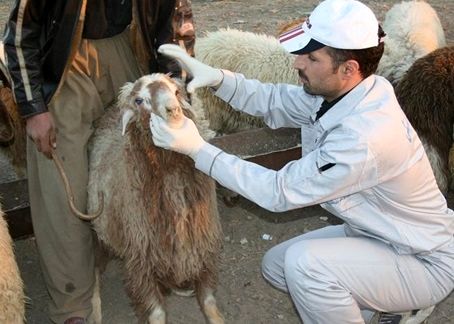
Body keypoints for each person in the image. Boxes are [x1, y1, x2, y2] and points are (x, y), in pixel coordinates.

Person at [149, 0, 454, 323]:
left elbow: (278, 192)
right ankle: (385, 302)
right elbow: (275, 100)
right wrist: (218, 79)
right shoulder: (357, 90)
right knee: (278, 266)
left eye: (311, 57)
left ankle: (405, 300)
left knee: (306, 267)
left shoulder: (364, 138)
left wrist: (198, 150)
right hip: (379, 235)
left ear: (348, 68)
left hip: (423, 259)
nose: (297, 63)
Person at [3, 1, 195, 323]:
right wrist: (34, 108)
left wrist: (175, 86)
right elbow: (21, 36)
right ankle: (73, 302)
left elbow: (176, 27)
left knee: (149, 161)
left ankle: (160, 260)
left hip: (128, 46)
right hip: (63, 61)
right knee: (60, 174)